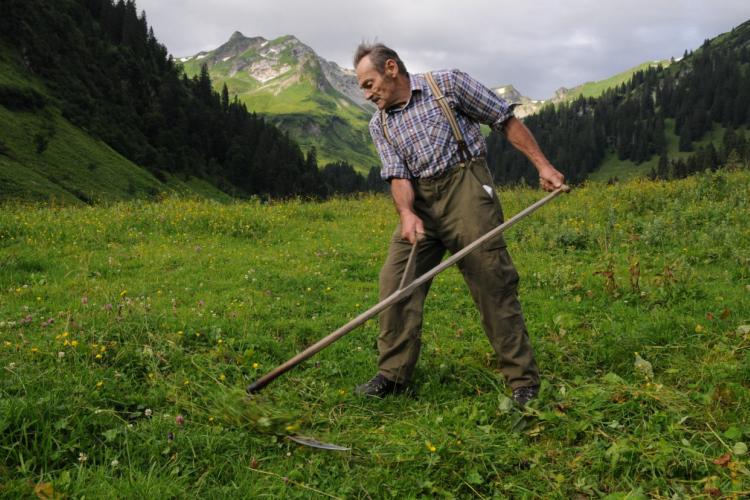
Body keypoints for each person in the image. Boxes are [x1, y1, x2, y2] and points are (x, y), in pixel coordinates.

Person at [353, 43, 565, 406]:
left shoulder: (447, 85)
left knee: (491, 280)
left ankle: (522, 380)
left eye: (369, 83)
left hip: (464, 189)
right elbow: (398, 175)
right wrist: (407, 214)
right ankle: (393, 375)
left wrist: (542, 166)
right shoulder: (380, 125)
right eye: (362, 88)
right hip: (420, 202)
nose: (367, 93)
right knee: (396, 282)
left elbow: (504, 119)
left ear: (391, 68)